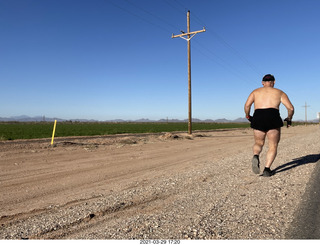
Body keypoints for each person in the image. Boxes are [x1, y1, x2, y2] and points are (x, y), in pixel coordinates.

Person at [244, 74, 294, 177]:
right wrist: (289, 119)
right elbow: (291, 108)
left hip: (258, 116)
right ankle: (267, 169)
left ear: (262, 83)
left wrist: (248, 116)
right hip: (273, 117)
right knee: (273, 145)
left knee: (259, 142)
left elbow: (247, 105)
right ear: (274, 82)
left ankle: (256, 155)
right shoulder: (279, 92)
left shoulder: (255, 92)